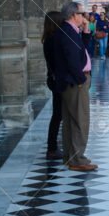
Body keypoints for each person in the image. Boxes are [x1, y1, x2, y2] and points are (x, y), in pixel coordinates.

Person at [53, 2, 96, 171]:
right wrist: (80, 80)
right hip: (75, 81)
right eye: (82, 13)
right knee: (80, 120)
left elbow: (81, 50)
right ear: (73, 14)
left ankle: (70, 157)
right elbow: (71, 58)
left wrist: (85, 30)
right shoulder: (67, 31)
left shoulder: (70, 30)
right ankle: (78, 159)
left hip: (72, 80)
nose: (84, 17)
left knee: (71, 120)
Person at [42, 11, 64, 160]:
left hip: (54, 79)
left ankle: (53, 146)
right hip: (58, 81)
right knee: (57, 115)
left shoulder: (49, 38)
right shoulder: (54, 40)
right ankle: (52, 148)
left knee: (58, 115)